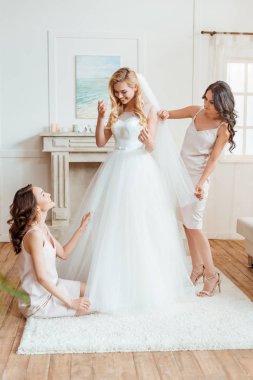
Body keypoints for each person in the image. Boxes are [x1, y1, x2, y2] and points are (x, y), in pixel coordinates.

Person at [58, 67, 195, 314]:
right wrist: (100, 117)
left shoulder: (150, 111)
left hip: (139, 169)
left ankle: (141, 286)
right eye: (116, 92)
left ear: (135, 88)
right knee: (111, 224)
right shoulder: (117, 111)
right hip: (116, 167)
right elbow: (101, 142)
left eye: (123, 91)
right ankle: (110, 280)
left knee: (138, 225)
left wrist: (146, 140)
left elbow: (152, 146)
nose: (120, 96)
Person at [158, 81, 236, 297]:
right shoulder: (196, 112)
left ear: (222, 104)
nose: (206, 104)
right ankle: (196, 268)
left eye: (212, 102)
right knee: (187, 224)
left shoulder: (223, 128)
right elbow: (169, 114)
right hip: (180, 176)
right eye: (205, 99)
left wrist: (201, 183)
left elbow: (213, 160)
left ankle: (212, 275)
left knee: (195, 226)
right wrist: (163, 113)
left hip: (198, 180)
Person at [8, 184, 91, 318]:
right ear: (36, 207)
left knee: (90, 290)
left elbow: (63, 253)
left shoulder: (42, 227)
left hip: (53, 288)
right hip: (38, 302)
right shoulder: (34, 235)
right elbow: (41, 278)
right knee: (90, 307)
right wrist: (70, 302)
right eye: (42, 194)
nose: (48, 194)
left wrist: (81, 228)